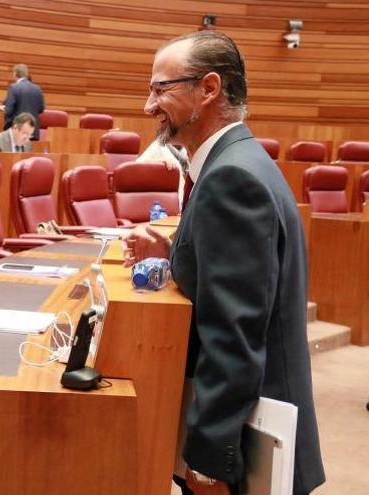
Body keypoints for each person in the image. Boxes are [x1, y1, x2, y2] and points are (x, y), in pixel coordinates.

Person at [123, 31, 324, 495]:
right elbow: (232, 283)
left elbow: (234, 333)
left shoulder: (231, 178)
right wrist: (174, 257)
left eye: (161, 88)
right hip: (250, 422)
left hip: (244, 443)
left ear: (209, 89)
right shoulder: (238, 161)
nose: (148, 106)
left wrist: (210, 457)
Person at [2, 64, 43, 140]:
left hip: (18, 131)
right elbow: (41, 108)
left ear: (15, 73)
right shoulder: (37, 88)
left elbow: (8, 111)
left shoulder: (14, 87)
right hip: (33, 132)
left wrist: (6, 127)